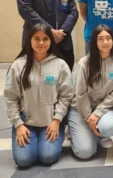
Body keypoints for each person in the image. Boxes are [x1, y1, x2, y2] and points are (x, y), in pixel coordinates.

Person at [3, 23, 73, 168]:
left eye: (45, 39)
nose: (41, 43)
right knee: (24, 160)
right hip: (26, 123)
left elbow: (66, 96)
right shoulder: (18, 65)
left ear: (51, 41)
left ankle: (56, 135)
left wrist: (57, 120)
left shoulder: (60, 65)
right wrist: (18, 124)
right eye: (36, 38)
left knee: (48, 156)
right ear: (29, 40)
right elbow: (10, 97)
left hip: (51, 122)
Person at [67, 25, 113, 160]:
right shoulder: (84, 63)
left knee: (111, 126)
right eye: (100, 39)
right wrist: (89, 117)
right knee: (85, 152)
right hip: (80, 109)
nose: (105, 42)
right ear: (94, 42)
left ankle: (100, 133)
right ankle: (75, 131)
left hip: (104, 108)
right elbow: (80, 94)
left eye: (108, 38)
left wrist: (97, 114)